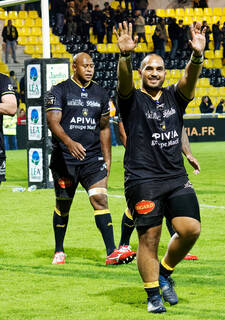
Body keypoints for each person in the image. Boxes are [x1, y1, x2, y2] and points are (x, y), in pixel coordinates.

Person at [115, 21, 204, 313]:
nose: (154, 73)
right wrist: (125, 57)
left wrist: (197, 56)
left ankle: (165, 272)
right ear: (141, 73)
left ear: (165, 73)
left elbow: (189, 81)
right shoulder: (131, 100)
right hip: (143, 179)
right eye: (149, 69)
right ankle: (153, 295)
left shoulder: (173, 97)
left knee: (190, 229)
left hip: (175, 177)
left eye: (159, 69)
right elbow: (123, 84)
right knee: (149, 237)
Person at [45, 52, 136, 266]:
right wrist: (69, 143)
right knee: (63, 204)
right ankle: (59, 249)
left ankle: (111, 252)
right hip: (64, 160)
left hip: (92, 159)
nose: (89, 69)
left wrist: (107, 159)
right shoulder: (59, 91)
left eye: (92, 66)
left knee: (100, 199)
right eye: (85, 65)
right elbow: (53, 122)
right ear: (74, 67)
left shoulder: (101, 94)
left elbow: (104, 128)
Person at [117, 119, 200, 261]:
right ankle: (123, 244)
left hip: (168, 164)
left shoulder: (169, 102)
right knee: (139, 207)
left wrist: (188, 153)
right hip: (145, 167)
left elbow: (178, 125)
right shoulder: (136, 100)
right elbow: (123, 128)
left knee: (171, 203)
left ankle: (178, 248)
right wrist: (135, 155)